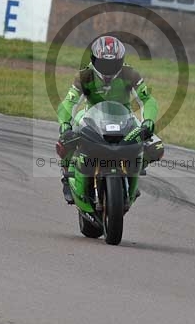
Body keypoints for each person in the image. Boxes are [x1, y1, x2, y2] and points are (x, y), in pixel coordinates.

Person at [56, 35, 163, 204]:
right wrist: (65, 124)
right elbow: (69, 102)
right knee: (66, 138)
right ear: (94, 59)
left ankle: (135, 169)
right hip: (89, 116)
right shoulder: (85, 76)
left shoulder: (130, 74)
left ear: (121, 61)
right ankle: (67, 176)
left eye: (113, 64)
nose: (108, 68)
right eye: (104, 64)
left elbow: (147, 99)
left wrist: (148, 120)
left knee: (157, 147)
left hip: (125, 117)